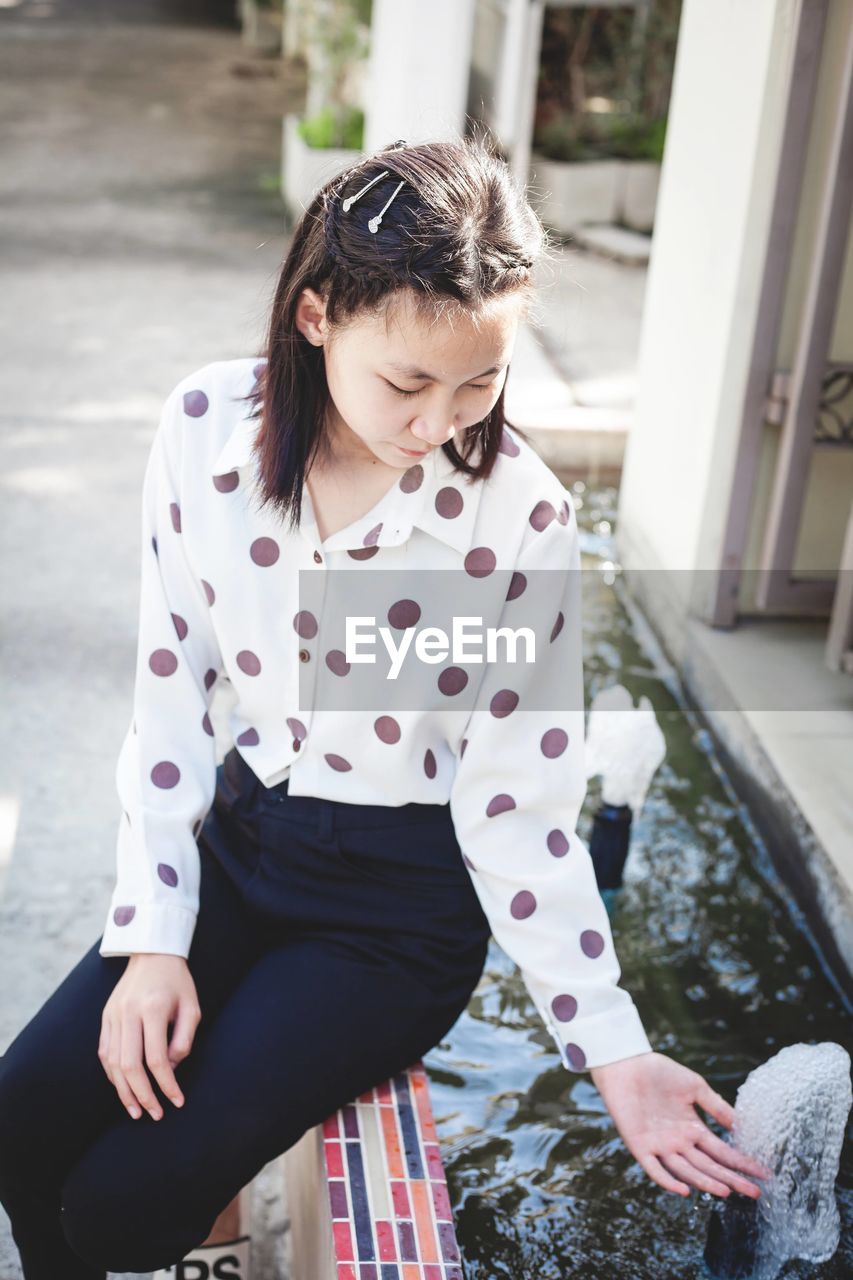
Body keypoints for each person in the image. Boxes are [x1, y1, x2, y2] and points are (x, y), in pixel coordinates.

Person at [0, 136, 770, 1280]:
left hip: (393, 912)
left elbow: (519, 806)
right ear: (316, 314)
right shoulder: (206, 427)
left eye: (482, 381)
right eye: (408, 382)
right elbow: (170, 697)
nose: (441, 421)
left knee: (121, 1202)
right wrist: (153, 939)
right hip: (243, 840)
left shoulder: (518, 521)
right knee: (22, 1119)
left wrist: (615, 1048)